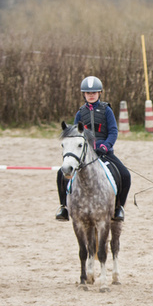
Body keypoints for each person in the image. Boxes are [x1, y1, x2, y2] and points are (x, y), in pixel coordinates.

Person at [56, 76, 131, 222]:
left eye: (94, 93)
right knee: (61, 174)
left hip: (104, 152)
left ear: (99, 93)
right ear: (84, 94)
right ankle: (64, 207)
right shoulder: (80, 113)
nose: (91, 95)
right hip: (85, 155)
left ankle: (118, 207)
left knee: (125, 174)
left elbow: (113, 131)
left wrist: (105, 145)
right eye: (88, 93)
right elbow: (76, 136)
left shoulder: (106, 110)